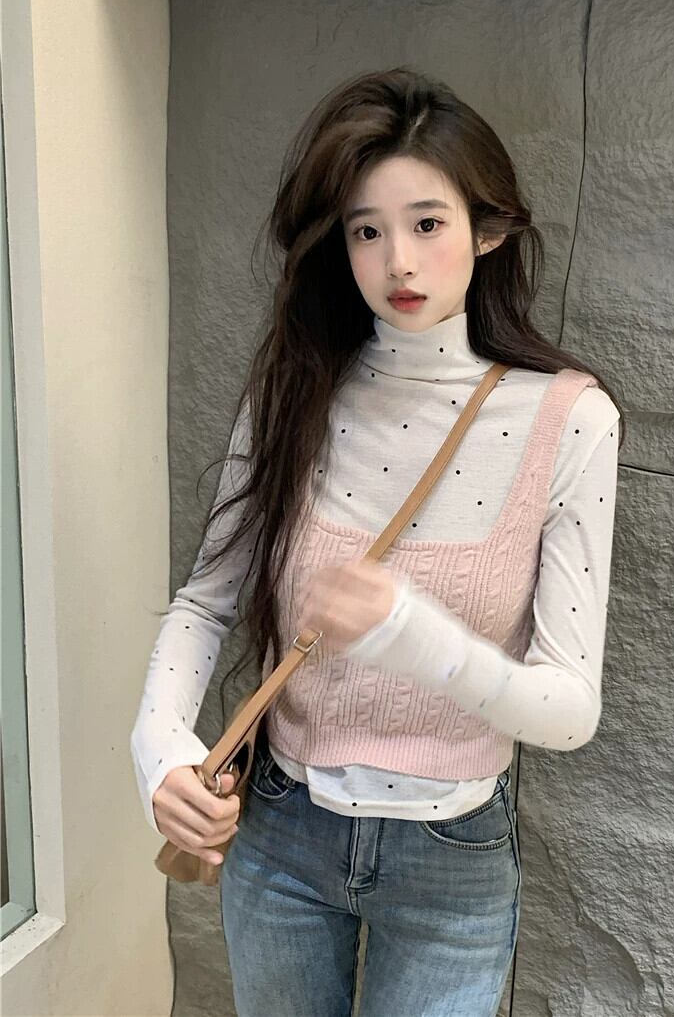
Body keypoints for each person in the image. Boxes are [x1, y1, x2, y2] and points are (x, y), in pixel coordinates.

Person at [130, 66, 624, 1017]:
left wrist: (410, 632)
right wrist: (159, 752)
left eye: (427, 223)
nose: (399, 260)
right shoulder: (297, 390)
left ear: (489, 229)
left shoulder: (570, 421)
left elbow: (569, 710)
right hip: (282, 832)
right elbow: (207, 601)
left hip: (452, 860)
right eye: (366, 230)